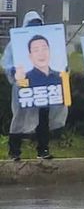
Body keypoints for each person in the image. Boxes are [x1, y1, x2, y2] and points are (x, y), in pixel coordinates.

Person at [6, 19, 67, 160]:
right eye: (36, 50)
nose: (41, 53)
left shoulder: (55, 73)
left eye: (44, 48)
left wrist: (64, 71)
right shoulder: (14, 44)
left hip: (45, 93)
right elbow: (7, 63)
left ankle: (43, 150)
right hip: (25, 90)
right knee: (19, 120)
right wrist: (14, 73)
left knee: (43, 119)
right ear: (29, 55)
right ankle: (14, 151)